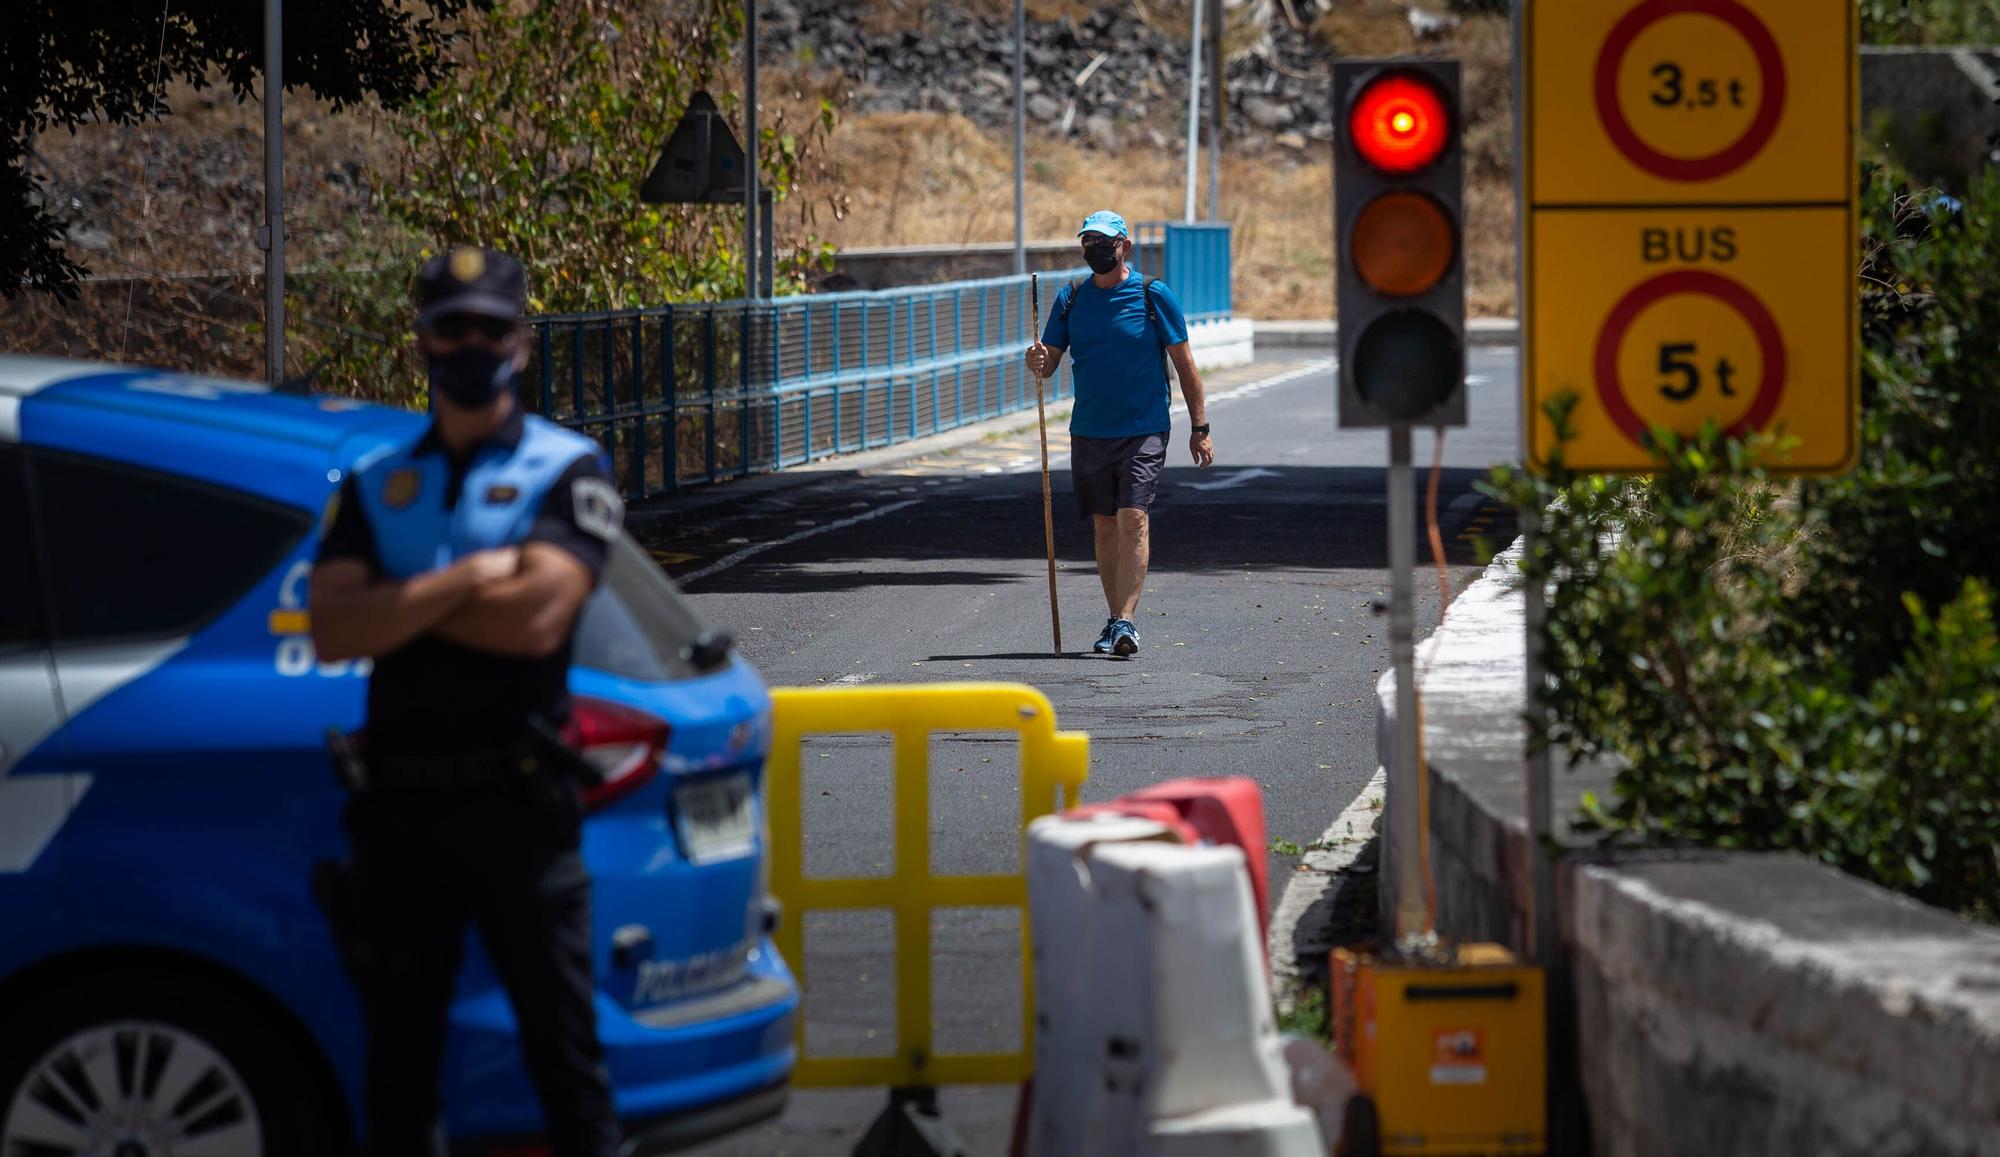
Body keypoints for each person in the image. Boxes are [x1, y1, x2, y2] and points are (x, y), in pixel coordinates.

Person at [309, 246, 625, 1157]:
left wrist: (400, 604)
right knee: (399, 1081)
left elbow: (536, 619)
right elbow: (331, 630)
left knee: (569, 1069)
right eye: (454, 327)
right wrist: (477, 574)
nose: (471, 344)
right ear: (423, 344)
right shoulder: (377, 482)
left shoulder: (569, 469)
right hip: (401, 813)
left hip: (522, 811)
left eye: (491, 328)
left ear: (521, 345)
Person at [1024, 209, 1215, 658]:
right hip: (1090, 429)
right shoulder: (1071, 298)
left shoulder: (1153, 295)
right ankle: (1115, 620)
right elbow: (1050, 361)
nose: (1096, 250)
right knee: (1106, 524)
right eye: (1088, 242)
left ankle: (1127, 619)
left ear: (1124, 246)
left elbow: (1186, 366)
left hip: (1144, 427)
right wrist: (1037, 359)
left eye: (1104, 242)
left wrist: (1199, 427)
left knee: (1134, 517)